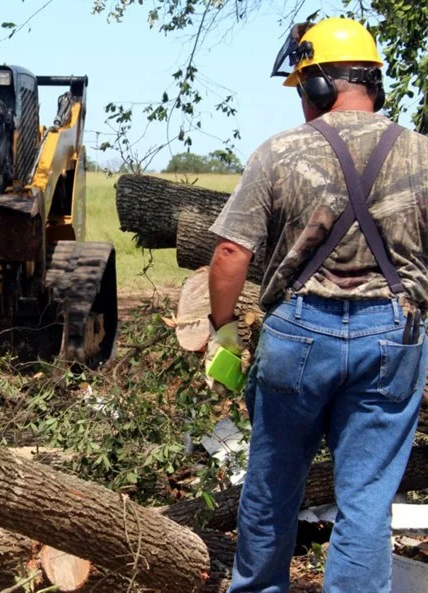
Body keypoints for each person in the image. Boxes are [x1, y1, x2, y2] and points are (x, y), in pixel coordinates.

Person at [206, 17, 428, 593]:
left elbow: (230, 253)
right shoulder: (423, 155)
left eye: (303, 85)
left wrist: (222, 329)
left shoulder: (279, 153)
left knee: (272, 487)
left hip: (298, 335)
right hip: (392, 339)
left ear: (317, 86)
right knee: (366, 503)